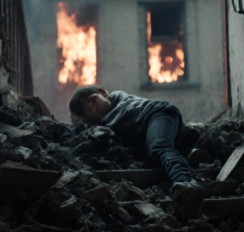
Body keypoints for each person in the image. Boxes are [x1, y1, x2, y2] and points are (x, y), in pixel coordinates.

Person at [67, 85, 207, 221]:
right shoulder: (110, 122)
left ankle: (186, 182)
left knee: (158, 148)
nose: (92, 107)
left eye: (93, 100)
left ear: (103, 92)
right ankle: (184, 142)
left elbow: (114, 123)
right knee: (151, 151)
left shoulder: (121, 102)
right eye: (87, 113)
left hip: (157, 115)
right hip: (147, 129)